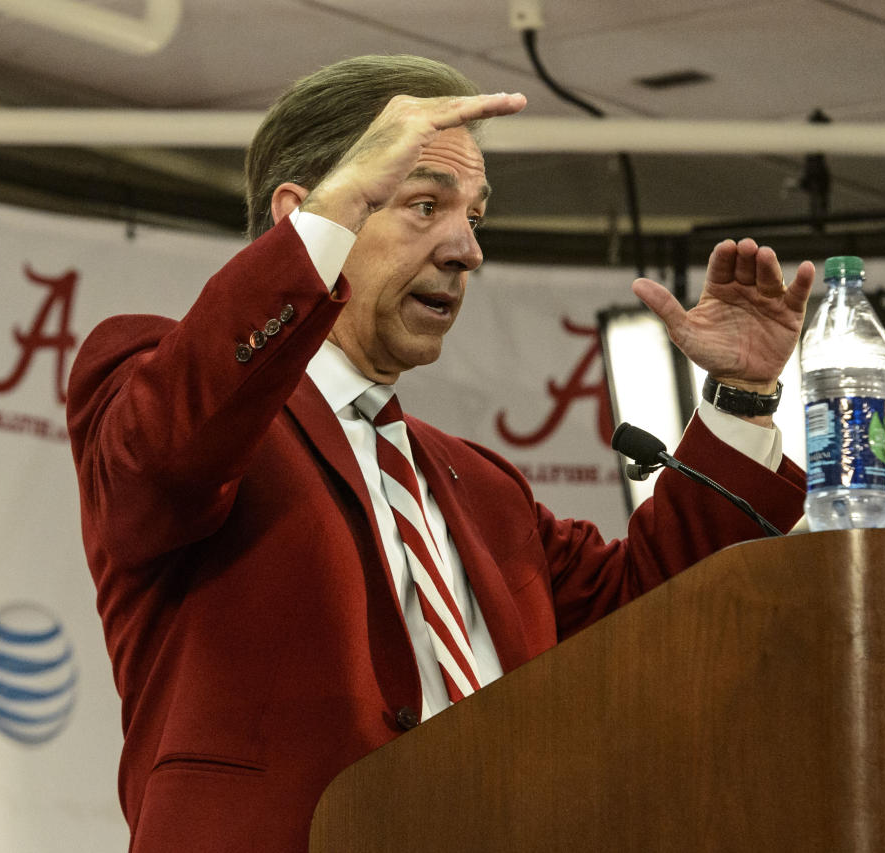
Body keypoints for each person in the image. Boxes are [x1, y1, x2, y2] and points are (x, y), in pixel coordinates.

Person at [66, 55, 812, 853]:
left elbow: (659, 613)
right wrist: (328, 215)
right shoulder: (162, 383)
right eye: (424, 204)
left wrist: (740, 397)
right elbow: (170, 456)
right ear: (305, 218)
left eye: (475, 218)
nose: (467, 250)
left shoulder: (485, 490)